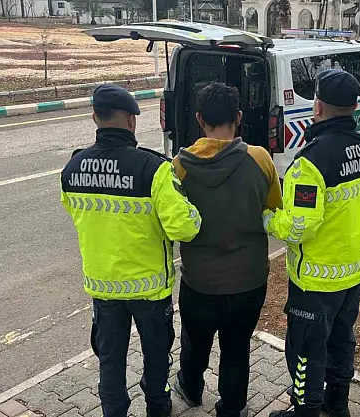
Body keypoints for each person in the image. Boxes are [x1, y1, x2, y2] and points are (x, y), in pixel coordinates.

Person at [60, 84, 202, 417]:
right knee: (156, 357)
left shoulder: (73, 168)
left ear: (95, 118)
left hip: (103, 287)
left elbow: (77, 214)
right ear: (131, 120)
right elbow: (184, 228)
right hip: (149, 289)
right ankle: (157, 407)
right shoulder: (153, 169)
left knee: (110, 361)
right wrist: (193, 212)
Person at [263, 70, 360, 417]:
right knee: (341, 340)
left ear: (317, 106)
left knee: (305, 350)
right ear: (354, 106)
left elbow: (300, 227)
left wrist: (267, 218)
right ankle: (337, 404)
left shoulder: (310, 163)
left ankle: (306, 409)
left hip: (316, 279)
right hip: (353, 271)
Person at [171, 82, 283, 417]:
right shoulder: (260, 159)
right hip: (248, 280)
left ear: (199, 119)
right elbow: (275, 209)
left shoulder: (179, 166)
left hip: (199, 282)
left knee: (194, 342)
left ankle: (190, 389)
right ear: (238, 117)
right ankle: (232, 407)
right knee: (236, 348)